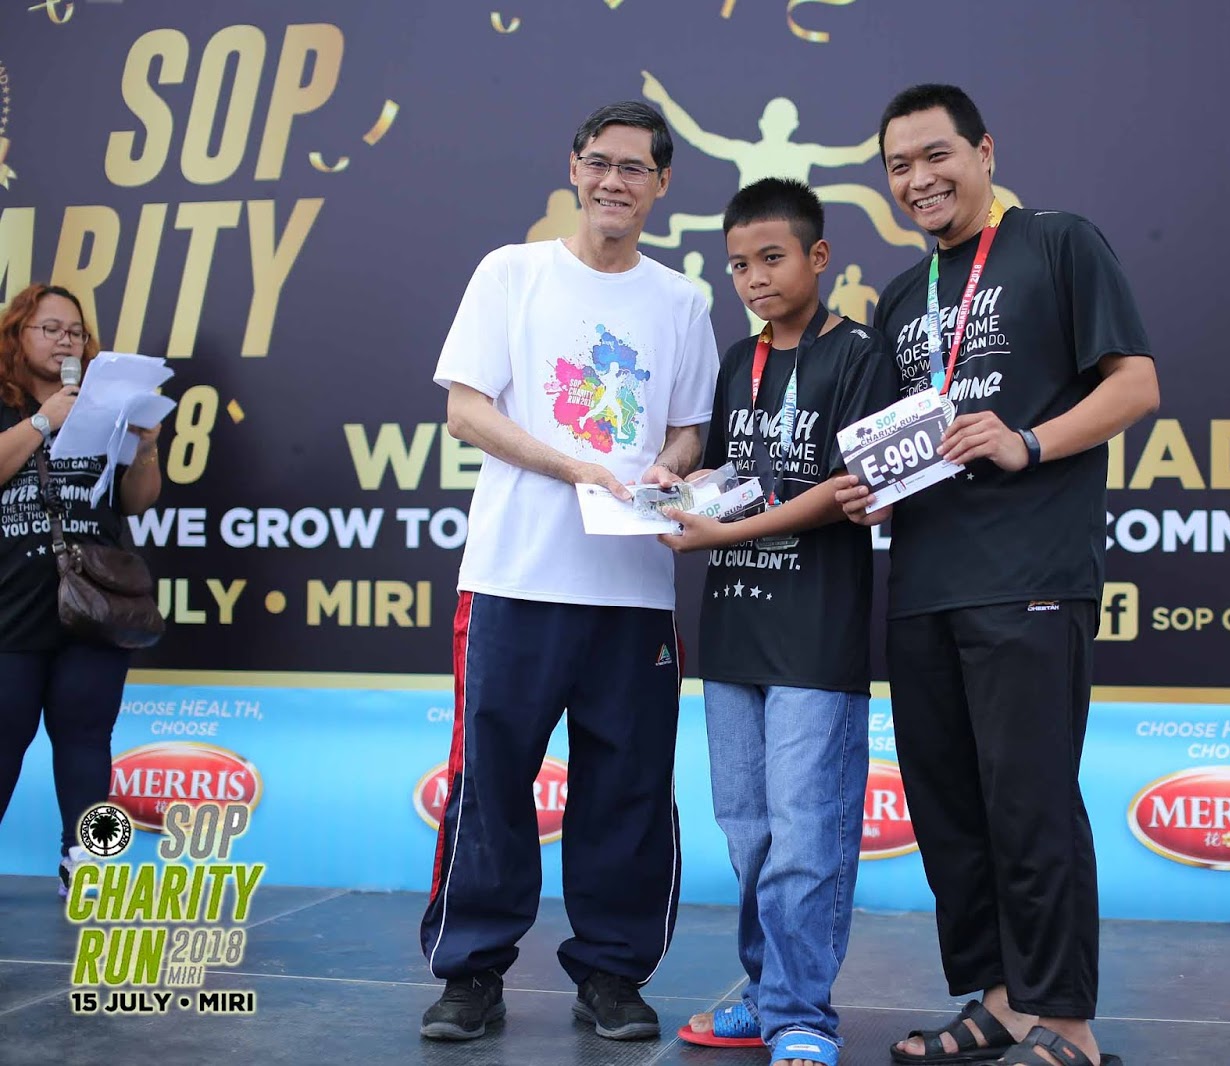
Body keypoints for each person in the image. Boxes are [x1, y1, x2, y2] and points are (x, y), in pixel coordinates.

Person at [836, 85, 1160, 1066]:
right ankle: (1001, 999)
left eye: (935, 155)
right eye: (898, 166)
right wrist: (876, 493)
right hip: (923, 582)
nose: (918, 180)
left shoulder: (1058, 244)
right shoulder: (902, 295)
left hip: (1029, 572)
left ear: (984, 151)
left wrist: (1029, 440)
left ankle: (1068, 1021)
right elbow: (903, 440)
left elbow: (1135, 384)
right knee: (949, 807)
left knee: (1030, 802)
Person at [420, 100, 719, 1045]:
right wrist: (575, 467)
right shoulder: (510, 274)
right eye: (599, 163)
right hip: (514, 577)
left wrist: (665, 467)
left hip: (632, 589)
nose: (613, 182)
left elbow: (689, 428)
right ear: (574, 168)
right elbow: (467, 411)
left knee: (629, 788)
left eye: (634, 168)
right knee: (491, 780)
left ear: (661, 184)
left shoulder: (682, 302)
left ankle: (612, 974)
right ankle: (471, 971)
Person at [659, 178, 899, 1066]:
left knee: (805, 833)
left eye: (771, 258)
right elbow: (732, 477)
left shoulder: (862, 355)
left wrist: (721, 531)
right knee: (749, 831)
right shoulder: (737, 360)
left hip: (814, 637)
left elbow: (843, 491)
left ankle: (803, 1014)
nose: (754, 279)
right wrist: (683, 492)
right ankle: (765, 999)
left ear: (818, 257)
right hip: (733, 631)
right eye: (737, 266)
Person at [0, 283, 162, 896]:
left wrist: (145, 448)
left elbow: (137, 501)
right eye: (51, 329)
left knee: (89, 737)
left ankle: (90, 861)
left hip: (96, 598)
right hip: (12, 598)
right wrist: (45, 420)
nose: (66, 341)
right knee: (5, 735)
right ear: (17, 335)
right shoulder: (8, 404)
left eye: (75, 332)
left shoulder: (106, 404)